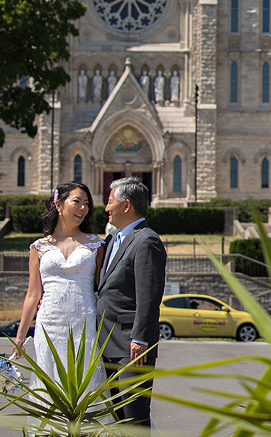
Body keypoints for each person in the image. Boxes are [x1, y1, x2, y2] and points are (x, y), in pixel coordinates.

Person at [13, 182, 106, 395]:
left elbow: (102, 288)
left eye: (86, 204)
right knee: (49, 383)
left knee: (84, 381)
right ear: (59, 204)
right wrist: (20, 336)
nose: (83, 208)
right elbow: (33, 294)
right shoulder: (39, 247)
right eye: (77, 202)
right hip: (49, 324)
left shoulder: (96, 245)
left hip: (84, 322)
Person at [96, 176, 167, 430]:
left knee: (133, 418)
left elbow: (149, 296)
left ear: (126, 205)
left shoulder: (146, 240)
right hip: (108, 343)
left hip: (131, 347)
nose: (106, 208)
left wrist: (140, 338)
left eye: (110, 202)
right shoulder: (114, 240)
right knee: (117, 417)